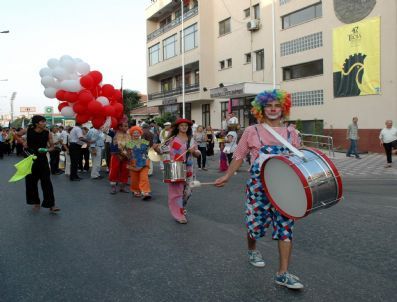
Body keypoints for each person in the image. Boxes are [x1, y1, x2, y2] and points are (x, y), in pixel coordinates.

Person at [214, 89, 304, 290]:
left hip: (285, 188)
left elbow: (300, 163)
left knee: (286, 229)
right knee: (254, 226)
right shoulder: (251, 131)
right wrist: (227, 176)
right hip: (258, 187)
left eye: (277, 105)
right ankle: (252, 249)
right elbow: (238, 155)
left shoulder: (292, 133)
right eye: (269, 106)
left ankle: (282, 273)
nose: (273, 109)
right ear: (261, 109)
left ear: (283, 108)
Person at [155, 118, 200, 224]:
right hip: (175, 166)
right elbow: (161, 151)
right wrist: (156, 148)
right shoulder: (172, 139)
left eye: (186, 125)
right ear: (178, 127)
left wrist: (196, 153)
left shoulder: (191, 139)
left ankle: (181, 207)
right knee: (176, 193)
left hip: (189, 168)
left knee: (188, 192)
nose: (184, 127)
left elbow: (196, 151)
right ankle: (179, 214)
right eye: (182, 125)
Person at [19, 115, 60, 212]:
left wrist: (46, 149)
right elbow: (15, 134)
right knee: (31, 183)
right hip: (30, 159)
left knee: (47, 182)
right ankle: (36, 202)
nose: (45, 123)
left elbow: (52, 147)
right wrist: (23, 142)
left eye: (45, 121)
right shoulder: (27, 130)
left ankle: (51, 205)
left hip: (42, 160)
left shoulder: (47, 133)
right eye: (43, 122)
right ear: (36, 123)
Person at [128, 126, 152, 200]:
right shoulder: (130, 143)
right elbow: (128, 154)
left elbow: (151, 149)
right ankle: (135, 190)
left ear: (140, 133)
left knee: (144, 177)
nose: (136, 134)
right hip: (134, 163)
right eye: (134, 133)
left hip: (144, 162)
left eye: (137, 133)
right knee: (134, 178)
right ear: (131, 134)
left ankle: (145, 191)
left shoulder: (144, 141)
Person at [108, 122, 131, 194]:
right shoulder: (114, 133)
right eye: (125, 126)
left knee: (125, 171)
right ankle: (113, 188)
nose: (127, 127)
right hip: (116, 155)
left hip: (126, 156)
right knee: (114, 171)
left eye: (127, 126)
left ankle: (122, 188)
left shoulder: (129, 135)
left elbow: (131, 145)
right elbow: (104, 129)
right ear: (120, 127)